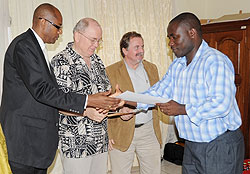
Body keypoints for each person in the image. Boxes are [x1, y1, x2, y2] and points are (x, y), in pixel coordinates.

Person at [0, 3, 121, 174]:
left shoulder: (36, 47)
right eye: (57, 27)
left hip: (40, 140)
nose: (60, 32)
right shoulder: (24, 46)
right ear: (42, 22)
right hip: (27, 140)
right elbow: (43, 91)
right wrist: (89, 101)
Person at [137, 12, 245, 174]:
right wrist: (128, 101)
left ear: (192, 33)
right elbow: (159, 90)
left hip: (219, 145)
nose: (171, 43)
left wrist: (181, 109)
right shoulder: (178, 65)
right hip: (192, 145)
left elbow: (221, 104)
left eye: (174, 37)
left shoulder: (215, 61)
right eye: (169, 38)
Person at [50, 18, 113, 174]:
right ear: (77, 36)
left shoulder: (97, 61)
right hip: (76, 144)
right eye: (93, 39)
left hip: (100, 141)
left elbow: (104, 95)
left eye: (99, 40)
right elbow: (58, 103)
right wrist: (86, 112)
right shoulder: (61, 62)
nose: (96, 45)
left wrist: (117, 101)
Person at [106, 31, 162, 174]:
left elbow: (157, 96)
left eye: (142, 46)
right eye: (136, 47)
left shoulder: (152, 68)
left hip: (149, 130)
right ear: (125, 50)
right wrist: (119, 113)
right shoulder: (110, 71)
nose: (141, 51)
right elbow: (104, 103)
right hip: (121, 131)